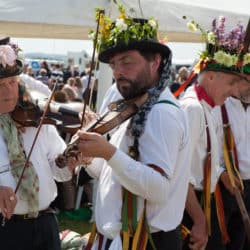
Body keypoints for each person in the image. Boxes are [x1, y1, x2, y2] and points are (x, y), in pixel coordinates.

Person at [75, 3, 191, 250]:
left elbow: (158, 189)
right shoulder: (132, 103)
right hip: (120, 238)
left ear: (155, 62)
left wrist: (107, 152)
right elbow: (116, 174)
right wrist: (89, 158)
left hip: (145, 241)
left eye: (126, 62)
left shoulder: (161, 114)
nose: (118, 72)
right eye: (114, 65)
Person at [0, 38, 79, 250]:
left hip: (46, 224)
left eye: (12, 83)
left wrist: (67, 163)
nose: (9, 92)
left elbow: (58, 171)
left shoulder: (37, 119)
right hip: (5, 229)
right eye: (1, 85)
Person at [180, 16, 250, 250]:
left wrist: (220, 172)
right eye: (231, 83)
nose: (234, 91)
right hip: (195, 204)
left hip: (209, 198)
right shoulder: (193, 108)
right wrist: (199, 220)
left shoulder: (209, 106)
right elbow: (181, 175)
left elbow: (210, 153)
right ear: (210, 76)